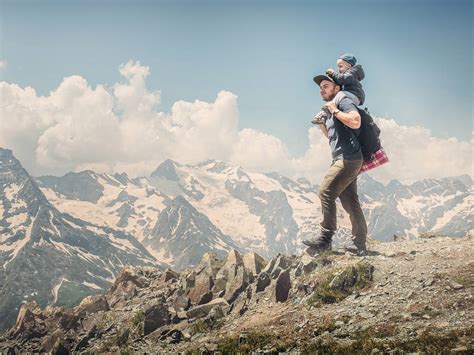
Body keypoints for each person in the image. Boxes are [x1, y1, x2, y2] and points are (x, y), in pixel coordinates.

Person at [303, 74, 368, 255]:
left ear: (337, 88)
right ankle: (359, 243)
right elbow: (334, 138)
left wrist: (335, 110)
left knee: (325, 191)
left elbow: (355, 121)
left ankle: (325, 239)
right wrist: (322, 124)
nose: (321, 89)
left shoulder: (343, 101)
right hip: (343, 157)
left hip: (348, 159)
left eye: (326, 85)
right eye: (320, 87)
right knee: (350, 200)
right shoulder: (331, 110)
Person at [311, 53, 365, 125]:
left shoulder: (352, 73)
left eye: (340, 66)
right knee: (339, 98)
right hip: (354, 95)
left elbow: (342, 79)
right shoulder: (349, 75)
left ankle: (325, 112)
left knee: (339, 95)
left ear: (349, 66)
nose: (338, 69)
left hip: (354, 94)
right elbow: (340, 81)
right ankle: (324, 115)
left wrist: (333, 73)